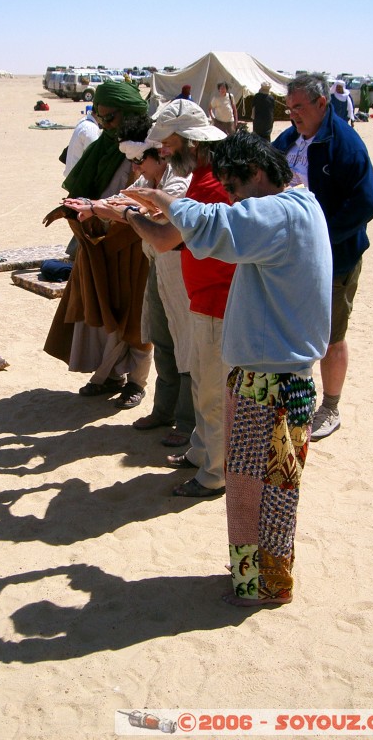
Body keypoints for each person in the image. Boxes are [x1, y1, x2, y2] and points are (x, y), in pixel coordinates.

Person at [128, 132, 332, 606]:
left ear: (257, 176)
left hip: (269, 381)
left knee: (251, 492)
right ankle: (266, 579)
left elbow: (215, 223)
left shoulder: (280, 213)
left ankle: (257, 585)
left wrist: (158, 197)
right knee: (272, 489)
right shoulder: (301, 205)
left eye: (237, 188)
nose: (235, 199)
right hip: (284, 377)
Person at [77, 101, 233, 498]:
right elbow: (169, 220)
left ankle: (214, 473)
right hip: (203, 296)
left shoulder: (211, 182)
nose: (162, 151)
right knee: (200, 381)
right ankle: (201, 454)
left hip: (216, 299)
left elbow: (166, 236)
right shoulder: (199, 175)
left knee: (212, 391)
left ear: (185, 139)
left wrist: (124, 214)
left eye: (166, 143)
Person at [68, 113, 195, 446]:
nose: (137, 167)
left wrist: (114, 209)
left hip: (180, 269)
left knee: (183, 346)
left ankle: (185, 422)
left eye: (141, 160)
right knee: (162, 339)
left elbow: (155, 214)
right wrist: (94, 207)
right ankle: (164, 411)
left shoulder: (178, 179)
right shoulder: (148, 179)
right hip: (157, 264)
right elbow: (126, 199)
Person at [273, 72, 373, 441]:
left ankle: (330, 407)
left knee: (331, 335)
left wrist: (322, 239)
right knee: (294, 332)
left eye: (299, 107)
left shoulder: (346, 144)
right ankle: (293, 400)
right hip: (291, 260)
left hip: (335, 259)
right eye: (289, 108)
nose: (292, 115)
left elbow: (366, 203)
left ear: (322, 103)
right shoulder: (289, 139)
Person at [43, 81, 152, 409]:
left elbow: (143, 197)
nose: (105, 125)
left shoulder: (148, 148)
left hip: (135, 239)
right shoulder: (103, 146)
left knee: (135, 313)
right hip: (98, 239)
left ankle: (137, 381)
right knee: (104, 307)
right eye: (100, 118)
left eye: (111, 118)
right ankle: (110, 375)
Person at [63, 107, 101, 176]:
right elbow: (93, 156)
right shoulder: (91, 128)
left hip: (72, 174)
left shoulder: (84, 121)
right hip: (77, 177)